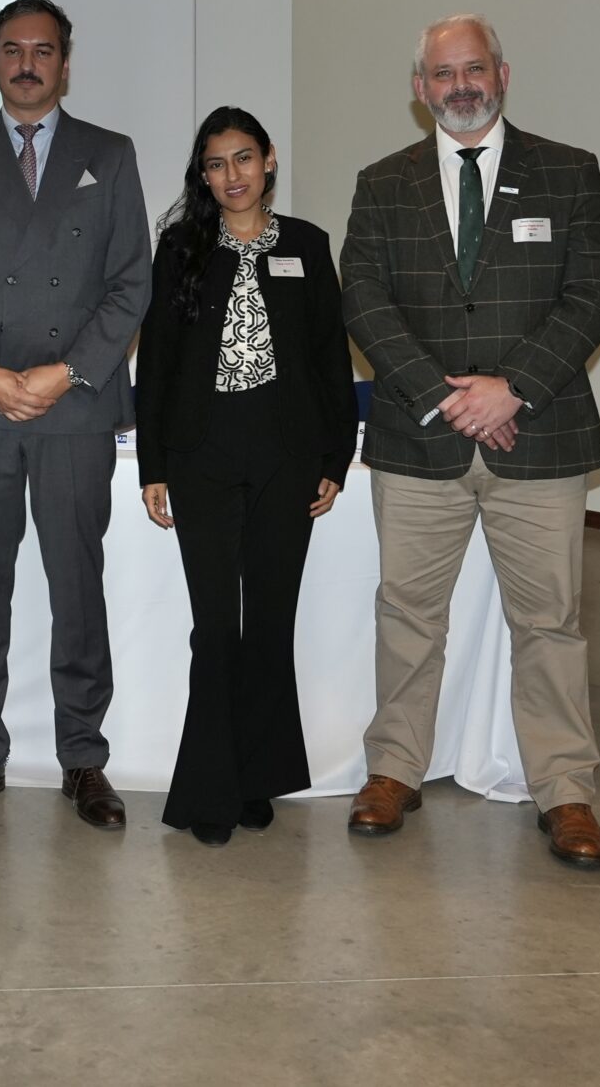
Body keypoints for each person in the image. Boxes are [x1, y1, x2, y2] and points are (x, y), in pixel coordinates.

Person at [338, 14, 600, 869]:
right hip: (420, 438)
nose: (459, 85)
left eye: (474, 69)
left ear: (504, 73)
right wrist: (442, 396)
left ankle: (565, 788)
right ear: (420, 89)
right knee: (408, 616)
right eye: (441, 73)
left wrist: (514, 388)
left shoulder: (569, 173)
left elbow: (592, 293)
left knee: (551, 622)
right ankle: (394, 767)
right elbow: (364, 297)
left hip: (540, 435)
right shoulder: (383, 183)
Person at [0, 0, 151, 829]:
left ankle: (83, 757)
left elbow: (131, 283)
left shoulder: (109, 155)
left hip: (73, 407)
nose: (27, 63)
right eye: (12, 48)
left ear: (65, 60)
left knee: (75, 588)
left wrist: (65, 373)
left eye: (42, 49)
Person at [136, 108, 356, 845]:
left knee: (267, 623)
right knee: (214, 628)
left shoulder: (306, 245)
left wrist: (335, 458)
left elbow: (331, 360)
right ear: (203, 175)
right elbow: (158, 363)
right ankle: (210, 787)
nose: (231, 175)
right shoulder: (181, 248)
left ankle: (258, 776)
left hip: (285, 460)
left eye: (243, 158)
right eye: (215, 163)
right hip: (201, 461)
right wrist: (154, 464)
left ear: (269, 161)